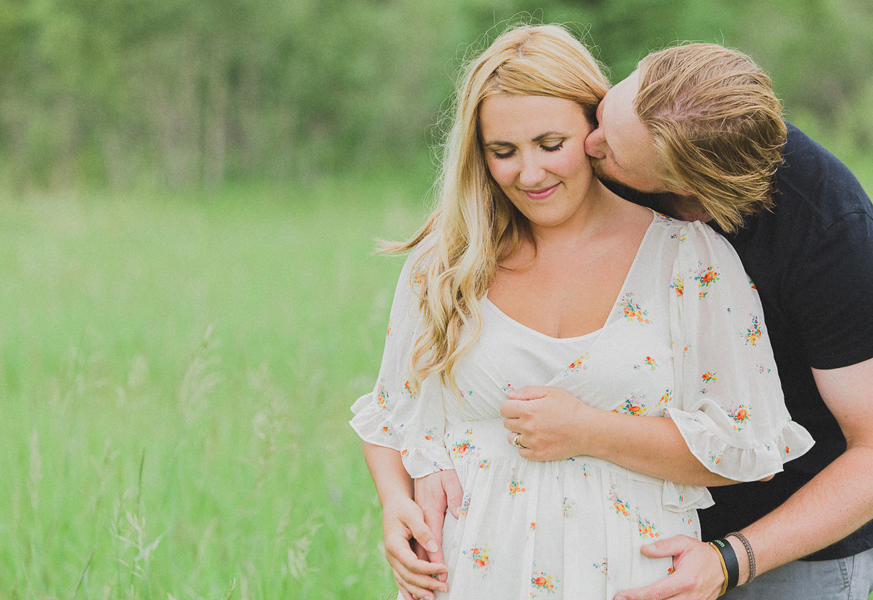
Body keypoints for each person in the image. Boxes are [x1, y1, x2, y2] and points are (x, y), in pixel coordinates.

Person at [349, 25, 813, 600]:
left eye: (551, 144)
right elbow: (392, 416)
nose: (530, 173)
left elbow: (751, 450)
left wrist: (589, 432)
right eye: (503, 151)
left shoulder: (690, 260)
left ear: (594, 129)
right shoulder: (445, 263)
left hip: (630, 575)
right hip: (472, 575)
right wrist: (395, 504)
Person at [476, 43, 873, 599]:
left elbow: (871, 453)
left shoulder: (829, 231)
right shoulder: (629, 129)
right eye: (605, 116)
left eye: (611, 153)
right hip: (635, 527)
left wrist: (734, 559)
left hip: (787, 542)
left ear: (685, 191)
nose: (589, 147)